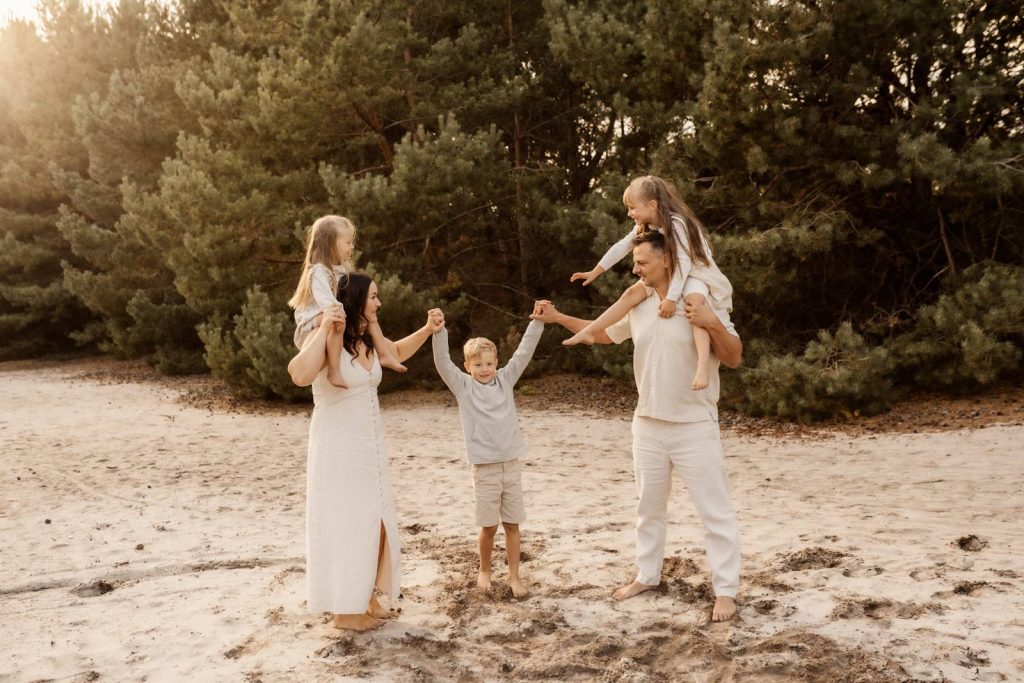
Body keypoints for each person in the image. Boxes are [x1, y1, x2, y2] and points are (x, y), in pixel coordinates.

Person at [532, 229, 743, 622]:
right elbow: (603, 334)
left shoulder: (700, 299)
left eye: (642, 262)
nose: (636, 269)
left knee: (715, 511)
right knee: (648, 508)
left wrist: (713, 323)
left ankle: (726, 590)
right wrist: (559, 316)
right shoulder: (641, 302)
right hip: (646, 423)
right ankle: (648, 575)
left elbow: (733, 357)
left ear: (666, 260)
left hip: (694, 423)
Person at [287, 272, 444, 631]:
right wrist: (326, 326)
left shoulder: (367, 341)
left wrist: (426, 329)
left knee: (378, 524)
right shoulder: (327, 338)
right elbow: (298, 373)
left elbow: (396, 352)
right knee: (348, 524)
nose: (378, 303)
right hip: (338, 447)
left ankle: (366, 596)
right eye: (373, 297)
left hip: (369, 448)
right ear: (355, 299)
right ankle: (345, 611)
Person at [566, 176, 734, 391]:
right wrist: (596, 270)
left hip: (697, 273)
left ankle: (702, 366)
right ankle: (591, 330)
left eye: (632, 207)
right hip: (674, 272)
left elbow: (684, 262)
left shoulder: (677, 223)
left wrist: (672, 299)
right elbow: (622, 246)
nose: (629, 213)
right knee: (629, 295)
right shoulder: (647, 224)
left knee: (694, 304)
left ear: (652, 205)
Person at [430, 311, 545, 598]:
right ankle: (484, 569)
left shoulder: (505, 380)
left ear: (497, 362)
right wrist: (439, 331)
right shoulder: (464, 387)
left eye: (490, 363)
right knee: (489, 526)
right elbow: (443, 362)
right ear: (468, 366)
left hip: (511, 464)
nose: (485, 369)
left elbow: (524, 352)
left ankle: (514, 575)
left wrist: (538, 322)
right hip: (484, 469)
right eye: (478, 364)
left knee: (512, 524)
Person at [288, 214, 406, 388]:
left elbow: (349, 294)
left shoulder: (342, 268)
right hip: (313, 319)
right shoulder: (319, 272)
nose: (352, 247)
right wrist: (342, 312)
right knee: (338, 320)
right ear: (330, 244)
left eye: (352, 242)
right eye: (348, 242)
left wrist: (358, 308)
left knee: (367, 315)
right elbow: (327, 302)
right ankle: (334, 370)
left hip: (332, 312)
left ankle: (385, 354)